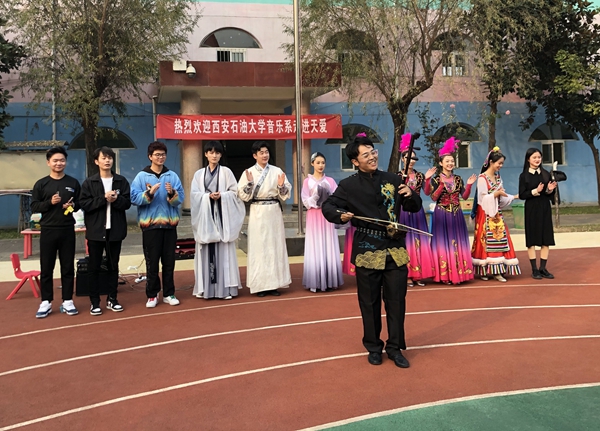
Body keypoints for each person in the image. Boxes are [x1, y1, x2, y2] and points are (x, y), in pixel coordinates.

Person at [322, 133, 422, 369]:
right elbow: (329, 206)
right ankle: (373, 347)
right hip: (367, 248)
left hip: (394, 249)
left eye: (373, 152)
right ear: (355, 161)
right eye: (365, 155)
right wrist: (340, 215)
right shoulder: (348, 186)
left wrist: (410, 194)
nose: (372, 157)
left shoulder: (393, 179)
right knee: (369, 302)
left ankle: (395, 347)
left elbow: (413, 207)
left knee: (396, 301)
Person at [131, 141, 184, 308]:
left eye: (163, 155)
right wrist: (149, 193)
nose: (160, 158)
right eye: (157, 155)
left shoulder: (172, 176)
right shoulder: (141, 177)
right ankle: (152, 295)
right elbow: (134, 198)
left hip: (169, 225)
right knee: (151, 262)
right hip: (150, 226)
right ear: (150, 157)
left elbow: (180, 199)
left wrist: (172, 193)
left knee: (169, 262)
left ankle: (169, 293)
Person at [190, 141, 245, 299]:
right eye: (211, 152)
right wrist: (207, 197)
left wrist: (222, 196)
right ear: (206, 154)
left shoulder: (226, 172)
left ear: (221, 155)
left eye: (217, 153)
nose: (214, 155)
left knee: (223, 251)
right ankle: (206, 289)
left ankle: (225, 289)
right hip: (206, 217)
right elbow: (194, 195)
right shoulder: (199, 174)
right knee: (207, 251)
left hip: (222, 217)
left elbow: (235, 193)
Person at [80, 146, 131, 315]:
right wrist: (103, 198)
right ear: (96, 161)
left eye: (110, 157)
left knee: (113, 266)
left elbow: (127, 203)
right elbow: (85, 204)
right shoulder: (89, 182)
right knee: (93, 267)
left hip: (115, 231)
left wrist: (116, 200)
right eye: (104, 158)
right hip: (96, 231)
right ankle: (94, 302)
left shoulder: (121, 181)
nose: (107, 161)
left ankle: (112, 299)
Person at [31, 146, 81, 318]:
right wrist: (49, 203)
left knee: (67, 267)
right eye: (55, 160)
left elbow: (80, 203)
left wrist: (72, 206)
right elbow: (34, 206)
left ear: (66, 162)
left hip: (67, 229)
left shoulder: (73, 183)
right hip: (48, 230)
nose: (59, 163)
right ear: (48, 163)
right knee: (46, 267)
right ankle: (46, 301)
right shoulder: (41, 184)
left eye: (62, 160)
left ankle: (68, 300)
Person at [237, 141, 292, 297]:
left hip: (274, 211)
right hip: (258, 211)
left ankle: (274, 284)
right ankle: (260, 285)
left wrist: (281, 186)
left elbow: (285, 193)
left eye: (266, 152)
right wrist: (249, 184)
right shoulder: (248, 172)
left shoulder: (276, 171)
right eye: (261, 153)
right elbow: (242, 195)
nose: (265, 155)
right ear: (255, 155)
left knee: (274, 246)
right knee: (259, 247)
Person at [424, 137, 476, 285]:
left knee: (458, 242)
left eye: (452, 161)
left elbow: (464, 196)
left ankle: (460, 273)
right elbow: (433, 197)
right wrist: (436, 183)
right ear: (441, 163)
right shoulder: (435, 179)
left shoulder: (458, 179)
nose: (450, 163)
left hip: (457, 214)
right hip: (442, 214)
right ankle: (446, 275)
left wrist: (469, 185)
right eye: (447, 161)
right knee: (443, 243)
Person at [471, 146, 520, 282]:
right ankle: (485, 269)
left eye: (502, 163)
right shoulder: (482, 178)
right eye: (499, 163)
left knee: (500, 239)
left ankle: (496, 270)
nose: (501, 166)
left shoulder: (498, 178)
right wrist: (496, 194)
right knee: (485, 240)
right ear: (491, 162)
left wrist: (513, 196)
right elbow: (482, 199)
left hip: (496, 213)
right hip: (485, 213)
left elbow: (501, 196)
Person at [301, 152, 344, 292]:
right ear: (312, 163)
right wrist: (314, 197)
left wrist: (329, 196)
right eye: (318, 162)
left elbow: (337, 198)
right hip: (314, 216)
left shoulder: (330, 181)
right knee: (315, 245)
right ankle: (315, 281)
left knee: (328, 244)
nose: (321, 165)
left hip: (327, 216)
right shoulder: (307, 182)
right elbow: (305, 201)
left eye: (323, 163)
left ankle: (329, 280)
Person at [397, 133, 435, 287]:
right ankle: (407, 274)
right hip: (403, 212)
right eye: (409, 158)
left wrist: (428, 179)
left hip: (417, 212)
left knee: (419, 241)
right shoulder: (397, 176)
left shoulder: (419, 176)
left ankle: (418, 274)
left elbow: (427, 192)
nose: (411, 161)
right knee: (406, 242)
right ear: (403, 159)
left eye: (414, 158)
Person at [518, 148, 557, 279]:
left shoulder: (545, 174)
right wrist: (535, 191)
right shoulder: (524, 176)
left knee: (546, 238)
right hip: (531, 208)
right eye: (534, 157)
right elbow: (522, 195)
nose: (537, 160)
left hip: (544, 207)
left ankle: (543, 268)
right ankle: (534, 269)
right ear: (528, 159)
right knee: (532, 239)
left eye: (539, 157)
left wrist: (549, 190)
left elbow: (549, 194)